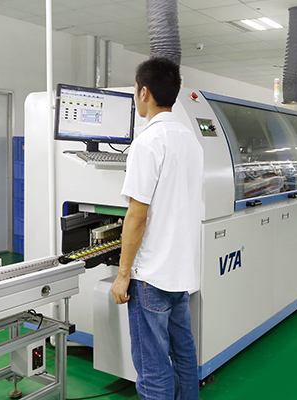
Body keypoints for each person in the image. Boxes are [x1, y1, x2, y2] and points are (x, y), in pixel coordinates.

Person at [111, 57, 204, 400]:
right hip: (180, 272)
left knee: (152, 367)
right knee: (183, 355)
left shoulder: (147, 142)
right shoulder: (190, 140)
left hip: (150, 277)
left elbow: (137, 216)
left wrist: (123, 275)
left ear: (144, 92)